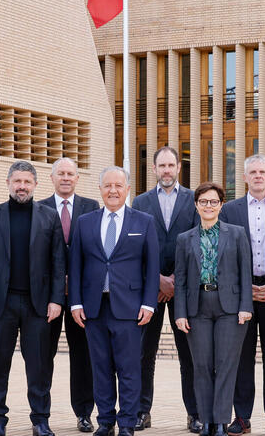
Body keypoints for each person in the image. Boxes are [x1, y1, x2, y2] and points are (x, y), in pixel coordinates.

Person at [0, 160, 66, 436]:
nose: (22, 186)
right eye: (17, 181)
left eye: (27, 182)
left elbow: (57, 262)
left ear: (36, 185)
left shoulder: (49, 216)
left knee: (39, 365)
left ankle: (40, 419)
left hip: (38, 305)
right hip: (1, 305)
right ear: (8, 183)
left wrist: (56, 299)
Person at [69, 166, 159, 436]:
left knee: (129, 369)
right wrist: (75, 303)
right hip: (94, 309)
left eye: (118, 185)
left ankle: (127, 423)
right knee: (100, 369)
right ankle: (105, 421)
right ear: (100, 189)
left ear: (128, 189)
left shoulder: (143, 222)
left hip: (130, 309)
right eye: (107, 185)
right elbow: (76, 266)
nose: (113, 190)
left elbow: (151, 267)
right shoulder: (85, 222)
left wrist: (148, 304)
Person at [131, 146, 202, 433]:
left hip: (184, 291)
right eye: (161, 166)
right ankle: (141, 411)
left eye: (171, 165)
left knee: (189, 356)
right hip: (149, 290)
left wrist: (174, 280)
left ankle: (195, 414)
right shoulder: (140, 201)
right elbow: (134, 246)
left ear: (178, 168)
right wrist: (157, 279)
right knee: (142, 354)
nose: (167, 171)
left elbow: (199, 243)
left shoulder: (194, 199)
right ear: (154, 169)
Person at [173, 182, 253, 436]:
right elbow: (181, 280)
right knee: (202, 366)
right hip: (197, 307)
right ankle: (205, 421)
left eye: (214, 201)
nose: (209, 206)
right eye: (204, 201)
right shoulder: (185, 239)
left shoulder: (237, 233)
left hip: (230, 308)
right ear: (196, 205)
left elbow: (245, 273)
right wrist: (180, 313)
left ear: (221, 204)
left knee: (226, 364)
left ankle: (220, 422)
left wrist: (245, 307)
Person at [219, 155, 265, 436]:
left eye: (262, 171)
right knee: (241, 358)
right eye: (252, 172)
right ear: (244, 177)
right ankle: (242, 418)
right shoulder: (230, 211)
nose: (258, 176)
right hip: (242, 294)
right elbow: (223, 255)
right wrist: (243, 285)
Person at [40, 157, 100, 433]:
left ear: (77, 178)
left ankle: (84, 412)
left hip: (81, 296)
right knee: (43, 356)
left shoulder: (91, 207)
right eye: (61, 173)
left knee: (83, 356)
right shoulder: (38, 208)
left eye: (70, 174)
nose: (65, 178)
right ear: (52, 178)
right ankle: (41, 414)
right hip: (47, 297)